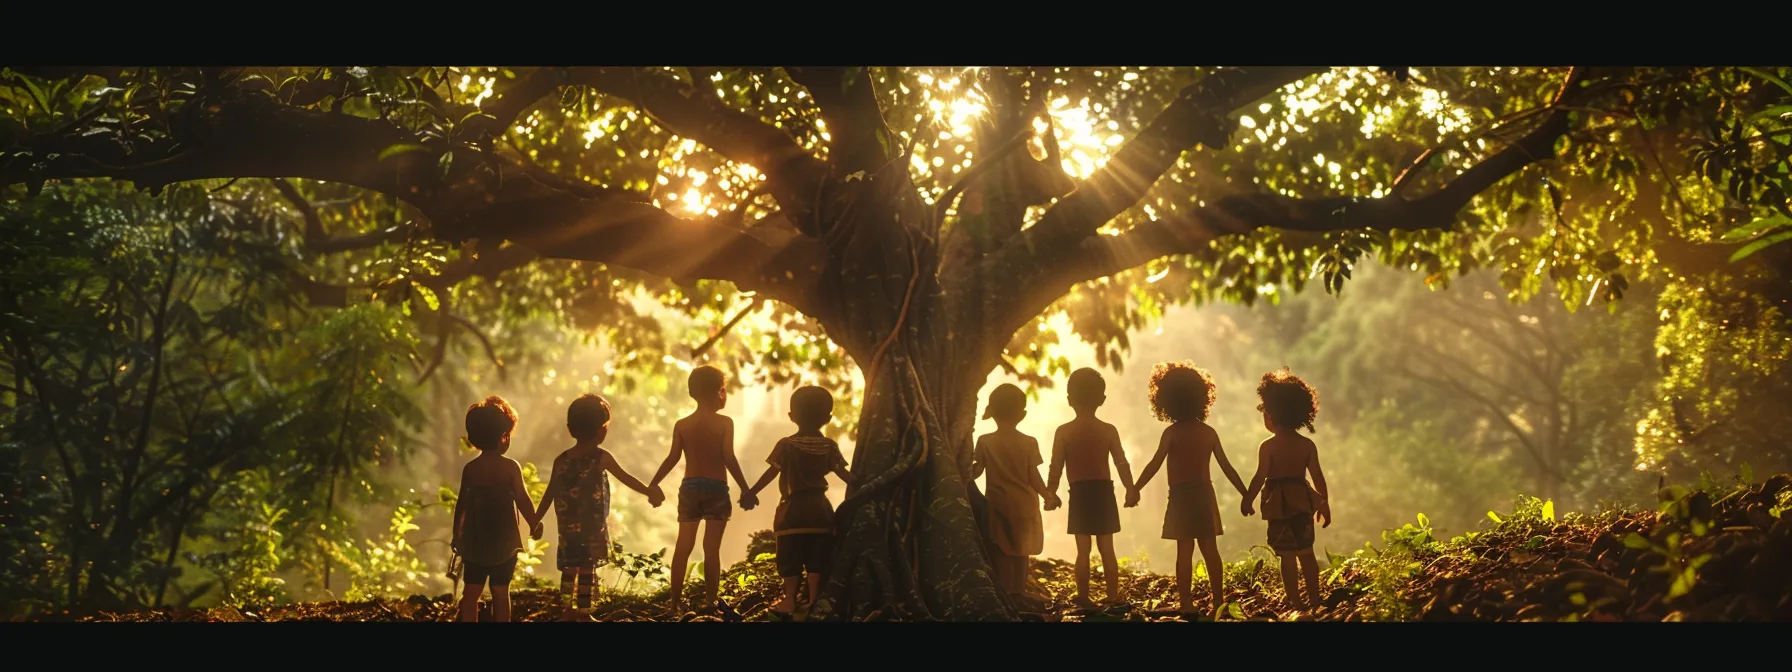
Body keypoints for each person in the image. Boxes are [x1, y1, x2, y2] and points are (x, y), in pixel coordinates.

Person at [1128, 361, 1248, 615]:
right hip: (1204, 495)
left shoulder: (1171, 433)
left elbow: (1154, 464)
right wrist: (1246, 493)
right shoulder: (1208, 432)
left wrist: (1135, 488)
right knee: (1210, 551)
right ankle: (1218, 602)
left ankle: (1186, 604)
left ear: (1166, 400)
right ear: (1202, 397)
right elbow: (1227, 467)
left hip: (1182, 498)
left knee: (1185, 552)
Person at [534, 394, 663, 620]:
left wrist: (535, 519)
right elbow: (627, 478)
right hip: (591, 525)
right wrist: (649, 491)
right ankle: (583, 612)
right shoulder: (601, 457)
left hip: (568, 526)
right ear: (602, 430)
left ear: (570, 429)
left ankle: (566, 612)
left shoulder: (561, 460)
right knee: (586, 566)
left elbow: (550, 492)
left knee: (569, 567)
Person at [648, 365, 753, 613]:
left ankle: (674, 603)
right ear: (719, 392)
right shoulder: (725, 423)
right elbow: (728, 456)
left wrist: (654, 483)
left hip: (690, 487)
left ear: (692, 393)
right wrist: (746, 488)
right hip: (717, 487)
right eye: (724, 391)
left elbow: (673, 458)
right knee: (711, 548)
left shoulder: (682, 424)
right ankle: (710, 602)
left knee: (683, 546)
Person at [742, 386, 854, 617]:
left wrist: (751, 492)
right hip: (820, 511)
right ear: (828, 418)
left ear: (791, 415)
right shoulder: (829, 447)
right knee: (817, 557)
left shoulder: (786, 445)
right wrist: (869, 482)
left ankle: (790, 601)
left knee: (789, 556)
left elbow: (771, 473)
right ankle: (814, 599)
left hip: (791, 511)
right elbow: (845, 474)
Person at [1241, 368, 1332, 611]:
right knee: (1307, 552)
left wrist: (1248, 500)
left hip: (1278, 508)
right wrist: (1325, 504)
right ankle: (1315, 598)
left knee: (1288, 556)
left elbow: (1260, 476)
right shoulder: (1307, 445)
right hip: (1302, 504)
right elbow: (1317, 478)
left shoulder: (1267, 447)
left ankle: (1296, 601)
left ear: (1269, 415)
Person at [1045, 368, 1136, 607]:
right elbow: (1121, 462)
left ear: (1069, 399)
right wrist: (1130, 488)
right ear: (1102, 399)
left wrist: (1050, 492)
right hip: (1104, 492)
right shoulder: (1108, 430)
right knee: (1107, 549)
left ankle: (1084, 597)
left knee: (1082, 550)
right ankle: (1112, 596)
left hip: (1080, 493)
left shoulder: (1064, 432)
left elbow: (1056, 466)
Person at [450, 395, 541, 622]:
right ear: (504, 437)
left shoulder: (471, 469)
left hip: (475, 542)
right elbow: (522, 498)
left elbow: (461, 505)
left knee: (471, 592)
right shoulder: (510, 468)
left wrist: (457, 535)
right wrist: (534, 522)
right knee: (501, 592)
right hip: (504, 542)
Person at [971, 383, 1059, 605]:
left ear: (993, 412)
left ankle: (1004, 593)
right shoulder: (1029, 442)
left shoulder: (985, 441)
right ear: (1022, 414)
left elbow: (975, 471)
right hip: (1026, 505)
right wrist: (1048, 494)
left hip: (998, 505)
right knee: (1022, 551)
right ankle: (1018, 592)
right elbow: (1033, 476)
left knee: (1001, 549)